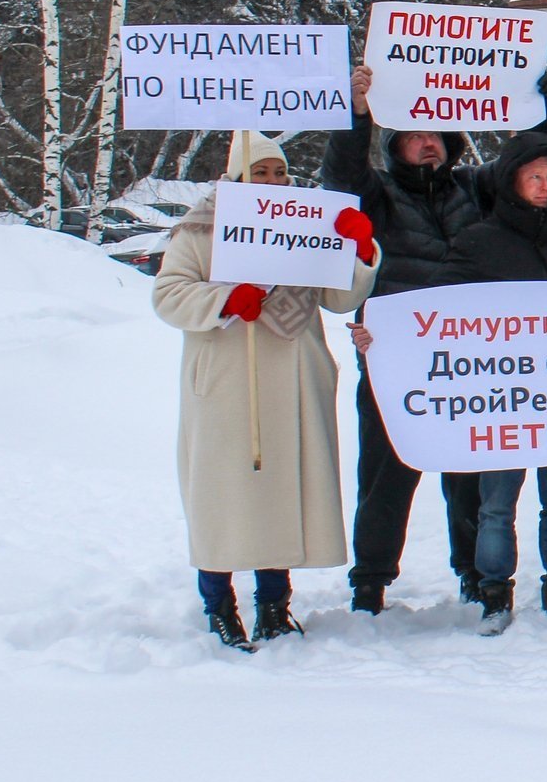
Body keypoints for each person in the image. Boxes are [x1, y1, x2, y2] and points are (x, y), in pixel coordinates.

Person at [322, 64, 547, 611]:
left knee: (468, 476)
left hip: (467, 364)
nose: (426, 143)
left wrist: (537, 112)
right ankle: (371, 579)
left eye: (434, 134)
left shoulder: (475, 189)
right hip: (394, 359)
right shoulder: (376, 196)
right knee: (385, 473)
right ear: (395, 147)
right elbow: (340, 177)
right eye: (413, 136)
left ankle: (474, 571)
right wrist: (356, 113)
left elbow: (525, 169)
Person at [152, 133, 379, 650]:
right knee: (223, 497)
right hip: (228, 383)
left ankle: (275, 605)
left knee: (284, 492)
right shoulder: (202, 228)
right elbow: (168, 294)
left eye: (279, 172)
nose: (274, 182)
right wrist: (229, 298)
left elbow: (339, 297)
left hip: (295, 375)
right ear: (238, 177)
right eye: (262, 172)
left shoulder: (306, 221)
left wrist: (358, 249)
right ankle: (219, 605)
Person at [436, 133, 547, 635]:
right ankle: (493, 593)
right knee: (496, 503)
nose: (545, 185)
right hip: (501, 398)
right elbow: (441, 315)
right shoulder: (477, 241)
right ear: (511, 179)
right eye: (535, 176)